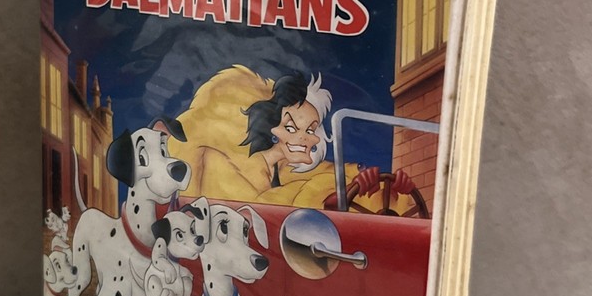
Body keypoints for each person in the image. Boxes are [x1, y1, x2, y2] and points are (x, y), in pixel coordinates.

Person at [168, 65, 415, 211]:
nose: (308, 139)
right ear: (272, 129)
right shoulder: (222, 164)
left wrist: (389, 192)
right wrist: (328, 197)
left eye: (311, 130)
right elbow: (256, 212)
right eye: (292, 127)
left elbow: (334, 185)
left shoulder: (291, 173)